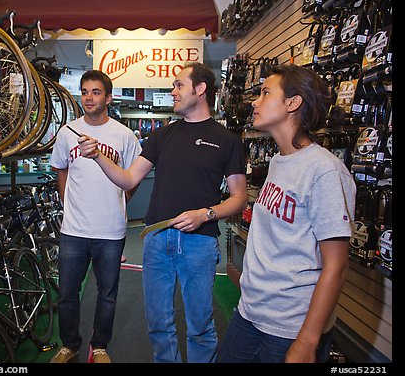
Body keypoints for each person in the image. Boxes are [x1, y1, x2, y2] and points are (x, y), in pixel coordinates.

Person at [78, 62, 248, 363]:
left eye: (179, 85)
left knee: (200, 326)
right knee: (158, 325)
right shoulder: (162, 136)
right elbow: (129, 179)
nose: (172, 91)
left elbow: (239, 198)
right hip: (157, 239)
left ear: (200, 89)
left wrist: (205, 214)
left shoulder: (227, 140)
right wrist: (99, 157)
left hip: (200, 242)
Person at [217, 64, 357, 363]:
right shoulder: (280, 160)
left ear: (293, 103)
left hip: (291, 327)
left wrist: (307, 341)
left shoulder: (325, 171)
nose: (255, 101)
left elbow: (336, 266)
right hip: (251, 312)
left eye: (266, 92)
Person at [48, 70, 142, 363]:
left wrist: (123, 199)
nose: (88, 97)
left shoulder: (124, 135)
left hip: (110, 230)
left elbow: (134, 175)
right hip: (74, 229)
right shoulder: (67, 132)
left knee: (107, 294)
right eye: (85, 91)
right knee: (66, 294)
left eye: (96, 92)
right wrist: (66, 199)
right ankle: (70, 344)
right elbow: (60, 167)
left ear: (108, 98)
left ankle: (99, 345)